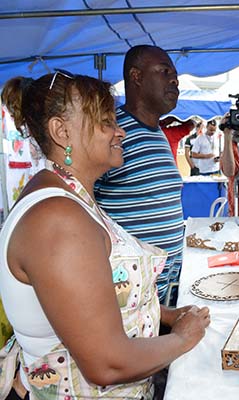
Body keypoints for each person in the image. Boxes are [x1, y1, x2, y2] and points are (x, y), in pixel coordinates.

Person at [0, 72, 210, 399]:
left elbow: (95, 295)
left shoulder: (71, 198)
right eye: (106, 122)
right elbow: (106, 364)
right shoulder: (56, 220)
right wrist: (183, 338)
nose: (120, 131)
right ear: (61, 131)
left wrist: (165, 314)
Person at [95, 45, 191, 305]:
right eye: (164, 71)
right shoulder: (111, 133)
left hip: (164, 292)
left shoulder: (157, 131)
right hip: (130, 298)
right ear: (136, 77)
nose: (175, 79)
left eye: (176, 75)